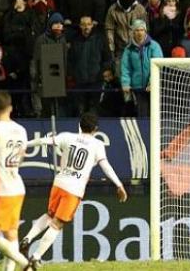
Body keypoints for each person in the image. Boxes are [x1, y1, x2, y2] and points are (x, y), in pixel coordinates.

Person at [20, 112, 128, 269]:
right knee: (57, 224)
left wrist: (25, 144)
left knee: (49, 215)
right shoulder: (97, 145)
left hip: (59, 182)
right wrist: (119, 185)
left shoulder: (67, 137)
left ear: (79, 125)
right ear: (95, 129)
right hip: (74, 188)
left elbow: (43, 141)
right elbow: (106, 166)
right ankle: (36, 257)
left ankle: (28, 238)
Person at [0, 91, 33, 270]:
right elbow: (21, 157)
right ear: (10, 108)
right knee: (11, 235)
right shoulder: (21, 130)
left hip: (0, 190)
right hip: (17, 186)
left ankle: (26, 263)